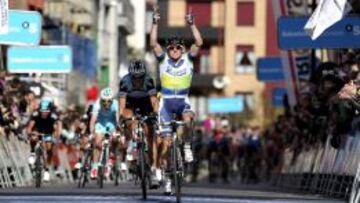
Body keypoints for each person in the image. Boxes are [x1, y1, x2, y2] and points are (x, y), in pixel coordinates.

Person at [150, 5, 203, 194]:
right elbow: (153, 43)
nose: (174, 50)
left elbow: (199, 41)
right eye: (171, 47)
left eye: (177, 47)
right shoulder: (163, 59)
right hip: (165, 102)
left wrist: (192, 24)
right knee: (165, 145)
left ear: (182, 49)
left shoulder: (189, 59)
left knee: (188, 119)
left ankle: (187, 146)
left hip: (181, 100)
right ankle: (167, 180)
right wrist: (155, 23)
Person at [118, 59, 159, 186]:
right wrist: (121, 118)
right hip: (130, 104)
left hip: (145, 105)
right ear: (130, 75)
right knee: (128, 116)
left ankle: (152, 171)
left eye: (140, 77)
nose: (137, 79)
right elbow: (122, 104)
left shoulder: (148, 80)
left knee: (150, 136)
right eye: (134, 77)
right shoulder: (125, 81)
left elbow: (154, 101)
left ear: (144, 74)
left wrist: (155, 114)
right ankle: (131, 141)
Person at [27, 98, 62, 182]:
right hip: (37, 130)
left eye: (46, 111)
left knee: (49, 148)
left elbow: (56, 128)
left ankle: (46, 170)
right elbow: (30, 127)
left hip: (48, 132)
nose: (44, 113)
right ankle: (32, 153)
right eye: (42, 111)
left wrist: (56, 136)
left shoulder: (53, 116)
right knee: (34, 137)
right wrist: (29, 133)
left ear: (49, 111)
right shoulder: (35, 114)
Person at [89, 87, 119, 178]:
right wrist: (92, 132)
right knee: (97, 144)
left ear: (112, 100)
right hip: (100, 123)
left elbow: (117, 119)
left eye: (109, 101)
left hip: (111, 123)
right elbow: (93, 120)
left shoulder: (116, 104)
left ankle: (111, 158)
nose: (106, 103)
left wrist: (118, 131)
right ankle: (94, 167)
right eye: (104, 101)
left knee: (115, 139)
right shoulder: (97, 104)